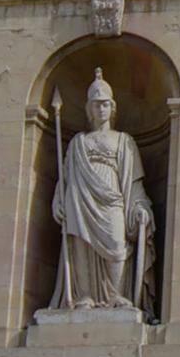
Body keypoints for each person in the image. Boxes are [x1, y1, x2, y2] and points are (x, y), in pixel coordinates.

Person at [51, 68, 152, 312]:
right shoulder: (78, 143)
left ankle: (116, 295)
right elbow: (65, 177)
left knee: (117, 243)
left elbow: (134, 182)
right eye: (96, 105)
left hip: (112, 199)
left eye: (105, 104)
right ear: (89, 109)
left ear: (112, 108)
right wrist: (58, 200)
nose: (101, 110)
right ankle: (84, 296)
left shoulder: (124, 140)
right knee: (81, 245)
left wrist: (140, 207)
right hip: (80, 198)